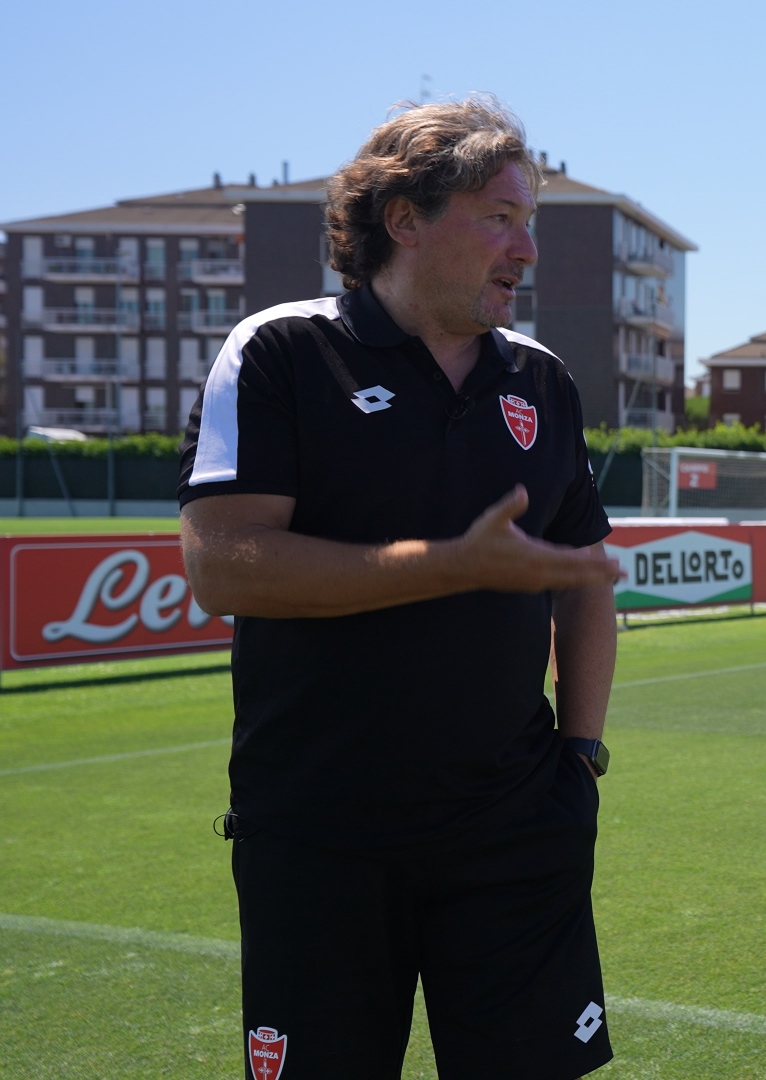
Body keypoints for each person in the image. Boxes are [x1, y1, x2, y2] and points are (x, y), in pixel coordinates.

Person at [179, 97, 624, 1080]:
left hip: (514, 827)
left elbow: (587, 580)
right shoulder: (283, 351)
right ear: (406, 219)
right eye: (499, 217)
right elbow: (221, 564)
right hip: (322, 836)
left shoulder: (542, 381)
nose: (527, 249)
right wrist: (450, 566)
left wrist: (580, 758)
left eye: (532, 222)